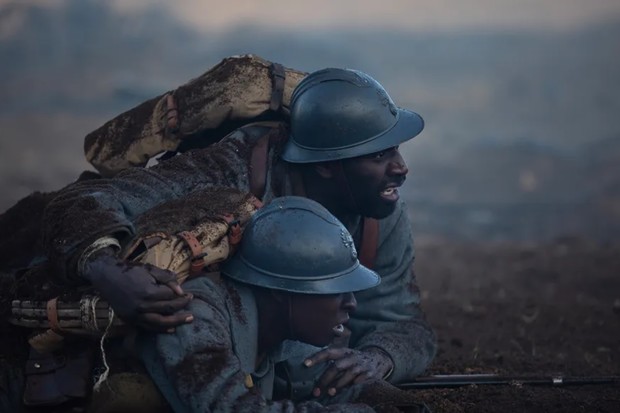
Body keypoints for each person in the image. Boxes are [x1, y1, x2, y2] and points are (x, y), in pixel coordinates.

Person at [42, 67, 437, 395]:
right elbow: (84, 200)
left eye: (396, 150)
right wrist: (110, 272)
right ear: (326, 165)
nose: (401, 168)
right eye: (380, 155)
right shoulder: (228, 171)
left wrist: (378, 359)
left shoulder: (377, 213)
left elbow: (401, 321)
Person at [136, 196, 391, 412]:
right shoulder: (194, 317)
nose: (351, 304)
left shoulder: (280, 328)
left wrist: (391, 401)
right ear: (280, 290)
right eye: (335, 290)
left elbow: (332, 382)